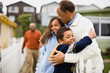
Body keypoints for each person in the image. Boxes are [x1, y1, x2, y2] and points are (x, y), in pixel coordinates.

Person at [49, 1, 104, 73]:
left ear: (67, 13)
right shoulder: (66, 25)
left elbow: (90, 51)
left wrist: (65, 58)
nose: (59, 18)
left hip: (90, 68)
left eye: (60, 15)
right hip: (77, 68)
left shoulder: (85, 24)